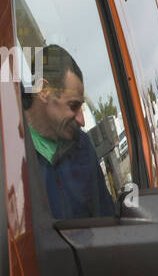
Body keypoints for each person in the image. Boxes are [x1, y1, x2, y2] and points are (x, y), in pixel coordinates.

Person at [23, 44, 115, 219]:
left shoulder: (83, 147)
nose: (82, 120)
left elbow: (106, 224)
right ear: (43, 91)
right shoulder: (9, 152)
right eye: (73, 106)